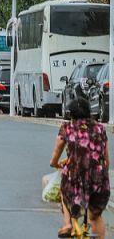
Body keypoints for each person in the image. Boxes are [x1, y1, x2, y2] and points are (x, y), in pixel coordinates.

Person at [50, 96, 110, 239]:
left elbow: (56, 154)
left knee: (64, 192)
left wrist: (56, 164)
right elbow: (106, 159)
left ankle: (67, 224)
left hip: (74, 178)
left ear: (71, 114)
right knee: (95, 217)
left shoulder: (67, 128)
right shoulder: (100, 128)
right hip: (99, 180)